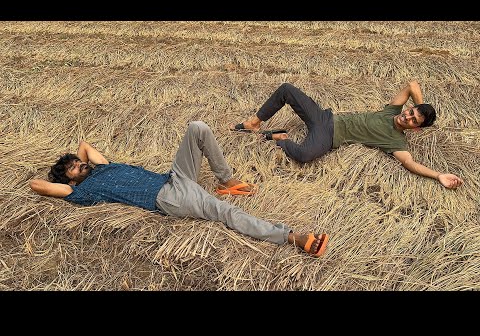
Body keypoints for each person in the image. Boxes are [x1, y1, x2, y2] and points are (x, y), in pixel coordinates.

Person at [29, 121, 329, 257]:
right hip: (168, 197)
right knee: (225, 212)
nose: (82, 165)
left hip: (173, 177)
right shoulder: (82, 193)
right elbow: (37, 185)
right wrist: (68, 179)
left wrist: (76, 163)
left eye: (79, 164)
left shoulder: (103, 166)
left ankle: (225, 179)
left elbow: (83, 146)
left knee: (197, 128)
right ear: (69, 182)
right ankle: (291, 236)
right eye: (75, 168)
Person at [231, 81, 463, 189]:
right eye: (411, 112)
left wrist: (438, 175)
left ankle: (281, 139)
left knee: (304, 154)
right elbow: (412, 85)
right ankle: (254, 123)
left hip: (329, 137)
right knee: (287, 89)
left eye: (413, 121)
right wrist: (424, 109)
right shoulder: (392, 110)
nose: (408, 117)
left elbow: (410, 163)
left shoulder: (395, 141)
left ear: (415, 129)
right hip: (324, 118)